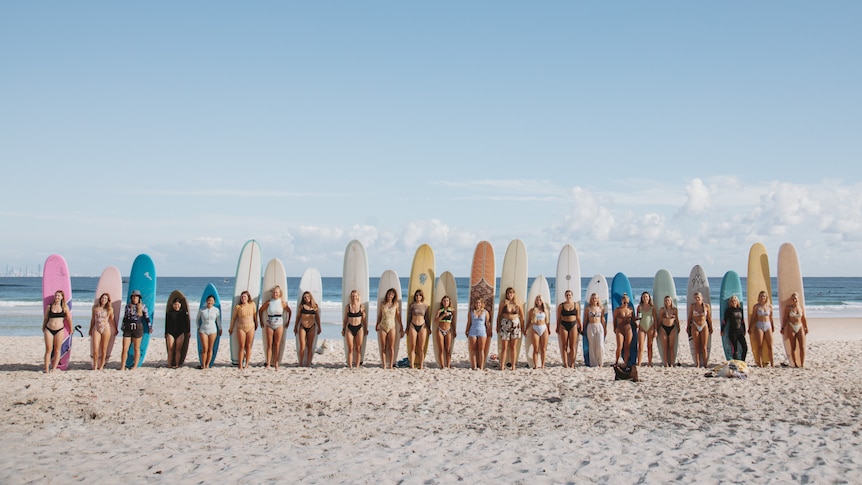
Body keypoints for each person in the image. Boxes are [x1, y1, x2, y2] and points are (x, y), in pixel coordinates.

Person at [258, 286, 291, 370]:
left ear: (279, 293)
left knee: (277, 344)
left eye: (276, 292)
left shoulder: (282, 303)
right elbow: (260, 310)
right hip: (269, 324)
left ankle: (276, 363)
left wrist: (288, 322)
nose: (275, 294)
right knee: (269, 344)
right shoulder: (269, 302)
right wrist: (261, 321)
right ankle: (268, 363)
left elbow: (289, 311)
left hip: (279, 324)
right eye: (274, 292)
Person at [121, 289, 150, 370]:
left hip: (138, 328)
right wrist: (122, 326)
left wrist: (149, 327)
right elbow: (125, 318)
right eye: (133, 297)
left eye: (136, 297)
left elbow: (147, 318)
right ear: (131, 298)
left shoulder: (143, 306)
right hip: (128, 328)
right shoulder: (127, 306)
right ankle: (123, 366)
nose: (135, 298)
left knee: (136, 348)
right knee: (125, 348)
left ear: (139, 298)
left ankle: (135, 366)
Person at [43, 290, 71, 373]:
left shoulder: (65, 307)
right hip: (49, 329)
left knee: (57, 350)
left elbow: (69, 319)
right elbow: (45, 319)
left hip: (59, 330)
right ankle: (46, 369)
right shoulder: (49, 307)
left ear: (62, 297)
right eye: (56, 295)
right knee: (48, 350)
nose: (57, 297)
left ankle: (54, 368)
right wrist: (43, 327)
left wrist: (71, 329)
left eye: (59, 296)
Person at [496, 287, 524, 371]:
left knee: (513, 347)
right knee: (504, 347)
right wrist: (497, 326)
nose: (510, 295)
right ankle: (502, 365)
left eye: (511, 293)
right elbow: (499, 315)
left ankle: (513, 366)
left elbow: (522, 316)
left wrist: (523, 327)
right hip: (505, 324)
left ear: (514, 294)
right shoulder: (503, 303)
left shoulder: (518, 303)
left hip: (515, 324)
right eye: (508, 293)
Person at [229, 290, 258, 370]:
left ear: (248, 297)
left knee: (248, 346)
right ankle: (240, 364)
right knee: (241, 347)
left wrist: (257, 323)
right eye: (242, 297)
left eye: (245, 296)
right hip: (241, 327)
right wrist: (231, 328)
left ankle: (247, 364)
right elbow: (233, 318)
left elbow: (255, 315)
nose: (243, 298)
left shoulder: (252, 305)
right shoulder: (238, 307)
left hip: (251, 327)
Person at [375, 288, 403, 369]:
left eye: (392, 294)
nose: (390, 296)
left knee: (391, 347)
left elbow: (398, 316)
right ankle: (384, 364)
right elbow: (380, 315)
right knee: (383, 347)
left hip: (392, 326)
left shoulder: (396, 304)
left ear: (394, 296)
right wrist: (377, 324)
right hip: (382, 326)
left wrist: (401, 326)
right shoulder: (382, 304)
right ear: (387, 294)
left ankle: (391, 365)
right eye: (389, 294)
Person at [782, 292, 808, 368]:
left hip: (800, 326)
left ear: (798, 299)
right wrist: (783, 327)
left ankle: (802, 364)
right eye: (793, 298)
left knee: (802, 346)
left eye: (795, 298)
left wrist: (806, 327)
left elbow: (803, 319)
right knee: (793, 347)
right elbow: (785, 318)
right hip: (791, 327)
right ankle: (795, 364)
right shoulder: (788, 308)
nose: (794, 300)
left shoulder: (801, 308)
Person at [295, 291, 322, 368]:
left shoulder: (315, 306)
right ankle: (300, 363)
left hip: (312, 327)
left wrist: (319, 327)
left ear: (311, 297)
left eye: (308, 297)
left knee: (310, 346)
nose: (307, 298)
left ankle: (308, 364)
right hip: (302, 327)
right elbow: (298, 317)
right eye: (305, 297)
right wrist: (295, 327)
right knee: (302, 346)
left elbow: (317, 318)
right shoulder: (301, 306)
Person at [343, 289, 368, 369]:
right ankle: (350, 366)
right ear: (351, 297)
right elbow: (345, 319)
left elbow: (364, 320)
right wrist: (343, 329)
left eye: (355, 296)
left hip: (359, 328)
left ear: (358, 297)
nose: (354, 297)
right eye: (353, 296)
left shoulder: (361, 307)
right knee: (350, 349)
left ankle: (357, 366)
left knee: (358, 348)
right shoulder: (348, 307)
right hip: (350, 328)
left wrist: (366, 329)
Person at [556, 289, 581, 368]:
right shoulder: (561, 305)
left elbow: (578, 317)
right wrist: (557, 327)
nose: (568, 296)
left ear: (572, 296)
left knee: (572, 346)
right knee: (564, 346)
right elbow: (559, 318)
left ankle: (572, 363)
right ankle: (566, 363)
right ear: (565, 296)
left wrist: (581, 326)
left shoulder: (576, 305)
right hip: (563, 325)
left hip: (573, 325)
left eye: (569, 295)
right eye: (567, 295)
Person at [687, 292, 712, 368]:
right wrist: (688, 326)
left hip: (704, 325)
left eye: (698, 297)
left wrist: (711, 327)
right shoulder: (693, 306)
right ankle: (697, 364)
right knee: (696, 345)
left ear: (702, 297)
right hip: (695, 325)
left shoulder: (707, 306)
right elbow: (690, 317)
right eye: (695, 297)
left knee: (704, 346)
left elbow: (709, 318)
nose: (697, 299)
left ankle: (705, 364)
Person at [465, 297, 491, 370]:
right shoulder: (471, 312)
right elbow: (469, 322)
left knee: (481, 350)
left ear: (482, 304)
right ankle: (474, 366)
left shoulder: (485, 312)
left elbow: (487, 323)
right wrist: (466, 330)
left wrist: (489, 331)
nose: (478, 304)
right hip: (472, 331)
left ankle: (482, 366)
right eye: (476, 303)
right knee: (473, 350)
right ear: (474, 304)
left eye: (479, 303)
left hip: (482, 331)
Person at [406, 289, 429, 369]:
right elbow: (409, 317)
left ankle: (421, 365)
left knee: (421, 348)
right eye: (416, 295)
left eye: (419, 295)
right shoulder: (412, 305)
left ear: (422, 296)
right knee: (412, 347)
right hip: (413, 325)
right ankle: (411, 365)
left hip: (423, 326)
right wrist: (407, 327)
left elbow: (427, 317)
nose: (418, 297)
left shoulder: (425, 306)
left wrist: (429, 328)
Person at [750, 290, 774, 367]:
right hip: (759, 325)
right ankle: (760, 363)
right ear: (759, 297)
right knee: (759, 346)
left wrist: (772, 326)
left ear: (766, 297)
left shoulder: (769, 306)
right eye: (761, 296)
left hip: (768, 325)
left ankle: (772, 363)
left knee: (770, 345)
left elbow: (771, 317)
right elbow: (753, 317)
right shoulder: (756, 306)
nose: (762, 297)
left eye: (764, 296)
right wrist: (750, 327)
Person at [90, 293, 113, 370]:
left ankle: (101, 365)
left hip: (106, 328)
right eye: (103, 298)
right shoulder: (95, 308)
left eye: (105, 298)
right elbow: (93, 319)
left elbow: (112, 320)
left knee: (104, 348)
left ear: (107, 300)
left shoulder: (109, 309)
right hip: (96, 328)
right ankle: (95, 365)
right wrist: (90, 329)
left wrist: (116, 329)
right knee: (95, 348)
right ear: (100, 299)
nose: (104, 300)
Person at [197, 294, 221, 370]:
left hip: (213, 330)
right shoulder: (202, 309)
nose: (210, 302)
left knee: (210, 348)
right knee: (204, 348)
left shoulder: (216, 310)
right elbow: (197, 320)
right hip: (203, 330)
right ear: (206, 301)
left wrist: (220, 329)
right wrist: (198, 327)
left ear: (214, 302)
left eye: (212, 301)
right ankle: (203, 365)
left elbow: (218, 321)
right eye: (209, 300)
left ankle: (207, 364)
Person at [583, 293, 607, 367]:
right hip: (590, 326)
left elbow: (603, 319)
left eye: (595, 298)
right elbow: (585, 319)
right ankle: (593, 363)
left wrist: (605, 328)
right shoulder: (588, 308)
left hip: (599, 326)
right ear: (591, 299)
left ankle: (600, 362)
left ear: (598, 299)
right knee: (592, 345)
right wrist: (583, 329)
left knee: (600, 345)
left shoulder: (601, 308)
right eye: (593, 298)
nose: (594, 300)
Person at [527, 294, 550, 369]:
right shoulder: (532, 310)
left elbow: (547, 321)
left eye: (540, 300)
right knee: (535, 348)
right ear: (535, 301)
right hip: (535, 328)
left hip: (544, 328)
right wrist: (526, 329)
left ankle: (543, 365)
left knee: (543, 349)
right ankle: (536, 365)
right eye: (537, 300)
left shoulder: (545, 310)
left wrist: (549, 329)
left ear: (542, 301)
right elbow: (529, 321)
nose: (538, 301)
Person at [165, 297, 190, 369]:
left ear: (180, 305)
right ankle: (169, 364)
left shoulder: (184, 313)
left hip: (180, 333)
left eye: (178, 304)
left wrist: (188, 332)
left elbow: (187, 323)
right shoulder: (169, 313)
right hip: (170, 332)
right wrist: (166, 333)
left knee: (178, 349)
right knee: (170, 349)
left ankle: (177, 364)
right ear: (173, 305)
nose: (176, 306)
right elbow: (166, 324)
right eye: (175, 304)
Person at [721, 295, 747, 361]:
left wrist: (744, 330)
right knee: (734, 348)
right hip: (732, 332)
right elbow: (724, 321)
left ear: (737, 301)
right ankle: (735, 363)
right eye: (732, 301)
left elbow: (742, 321)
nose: (734, 302)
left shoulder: (740, 310)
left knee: (745, 347)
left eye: (735, 300)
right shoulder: (728, 310)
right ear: (730, 302)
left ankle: (742, 361)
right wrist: (722, 330)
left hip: (740, 331)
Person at [433, 295, 456, 369]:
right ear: (442, 302)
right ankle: (442, 366)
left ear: (449, 302)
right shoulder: (440, 311)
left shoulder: (452, 310)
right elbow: (436, 320)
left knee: (448, 349)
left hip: (448, 330)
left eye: (447, 301)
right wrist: (443, 315)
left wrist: (454, 330)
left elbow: (453, 322)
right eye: (444, 301)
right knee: (441, 349)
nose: (446, 302)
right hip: (440, 330)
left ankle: (448, 365)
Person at [635, 292, 657, 367]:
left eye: (646, 297)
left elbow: (655, 319)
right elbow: (638, 317)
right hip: (642, 327)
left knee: (649, 346)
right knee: (641, 346)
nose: (645, 298)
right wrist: (635, 321)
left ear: (649, 298)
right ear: (642, 298)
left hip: (650, 327)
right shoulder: (639, 307)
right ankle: (639, 363)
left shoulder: (652, 307)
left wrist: (656, 330)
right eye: (644, 297)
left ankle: (649, 362)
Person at [657, 295, 679, 367]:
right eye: (666, 301)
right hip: (663, 328)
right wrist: (657, 329)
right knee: (665, 347)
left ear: (671, 301)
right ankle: (666, 363)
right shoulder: (662, 310)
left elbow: (677, 320)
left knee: (671, 347)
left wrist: (678, 327)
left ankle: (672, 363)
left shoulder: (674, 310)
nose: (667, 302)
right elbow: (660, 320)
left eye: (668, 300)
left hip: (672, 328)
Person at [613, 293, 634, 365]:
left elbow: (633, 319)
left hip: (628, 328)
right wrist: (614, 328)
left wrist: (637, 321)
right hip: (620, 329)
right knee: (619, 346)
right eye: (624, 302)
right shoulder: (617, 310)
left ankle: (626, 362)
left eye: (627, 302)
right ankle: (616, 361)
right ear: (621, 301)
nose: (626, 304)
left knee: (627, 346)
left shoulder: (630, 309)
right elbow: (614, 319)